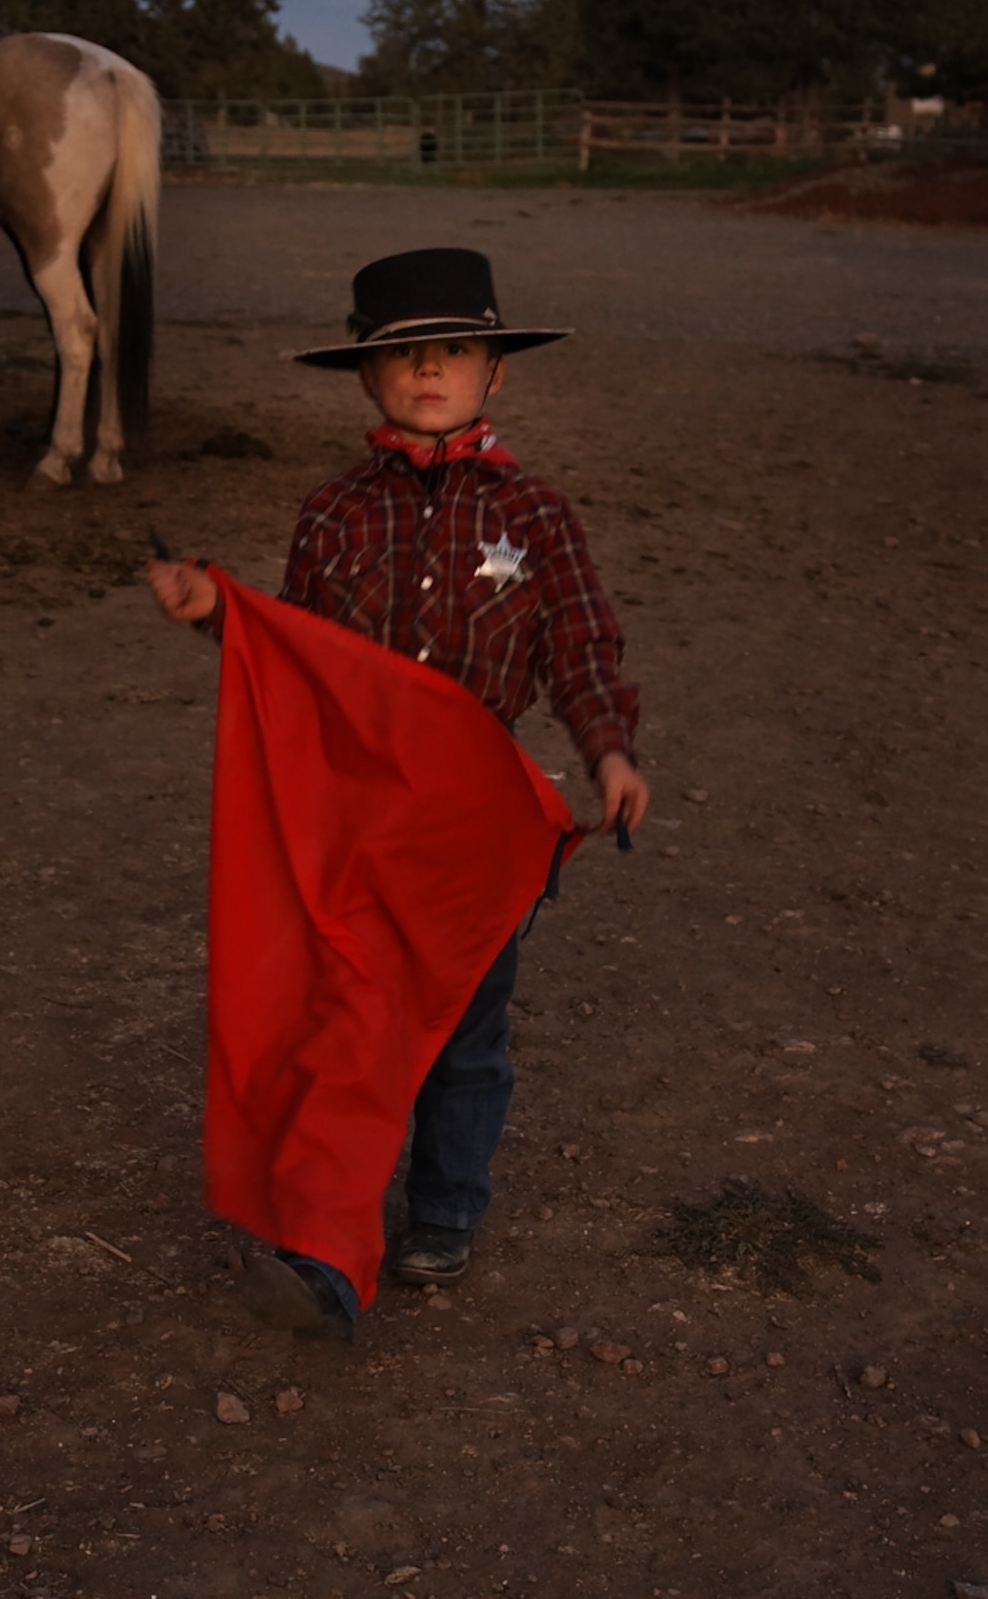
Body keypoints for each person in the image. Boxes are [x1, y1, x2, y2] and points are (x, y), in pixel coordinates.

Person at [147, 246, 647, 1337]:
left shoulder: (539, 517)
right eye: (406, 356)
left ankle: (444, 1210)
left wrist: (608, 752)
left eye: (455, 351)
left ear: (495, 374)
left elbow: (579, 646)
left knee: (464, 1029)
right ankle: (324, 1237)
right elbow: (300, 655)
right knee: (349, 1014)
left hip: (475, 825)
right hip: (361, 819)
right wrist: (215, 611)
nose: (431, 372)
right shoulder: (331, 514)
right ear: (367, 378)